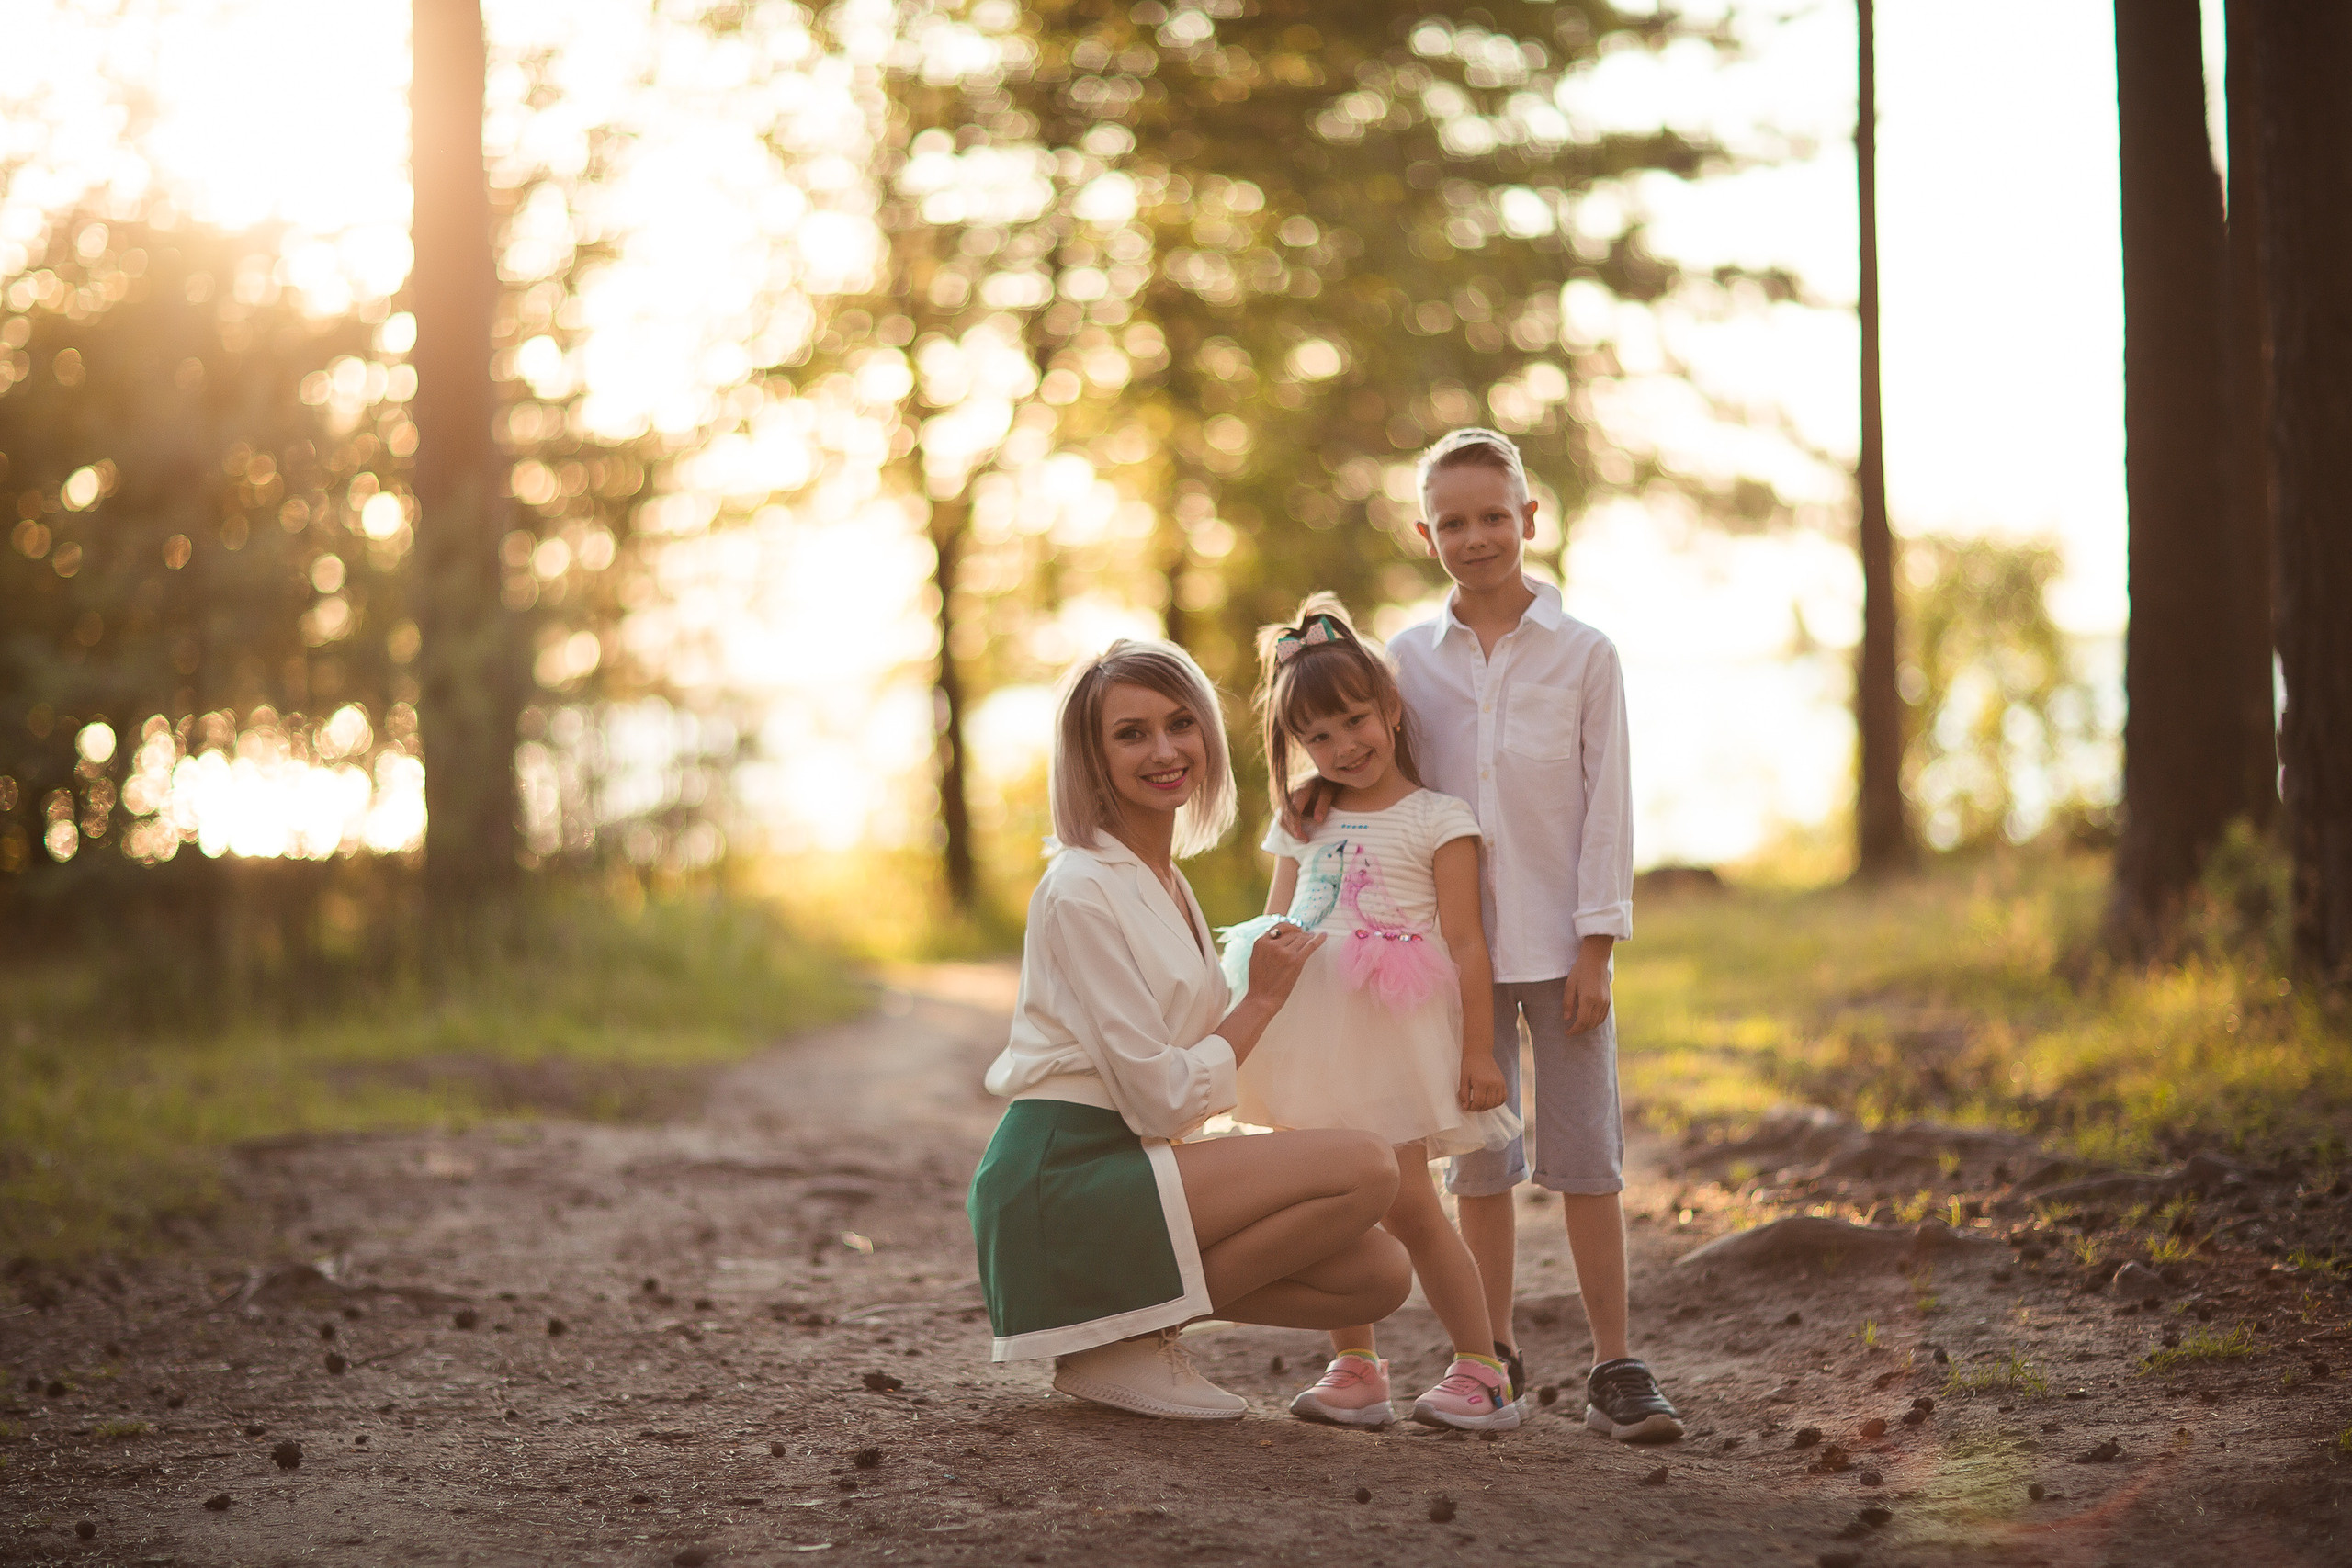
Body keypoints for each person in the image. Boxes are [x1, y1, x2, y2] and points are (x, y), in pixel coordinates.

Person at [968, 638, 1411, 1421]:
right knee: (1367, 1165)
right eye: (1131, 733)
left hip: (1130, 1160)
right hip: (1064, 1176)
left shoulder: (1165, 878)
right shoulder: (1079, 886)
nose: (1166, 750)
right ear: (1092, 756)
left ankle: (1131, 1331)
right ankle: (1130, 1338)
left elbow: (1187, 1073)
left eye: (1180, 723)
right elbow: (1162, 1098)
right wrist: (1261, 1000)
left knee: (1376, 1274)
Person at [1389, 427, 1684, 1444]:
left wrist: (1598, 943)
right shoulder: (1406, 662)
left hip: (1564, 953)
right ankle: (1490, 1359)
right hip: (1455, 961)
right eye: (1453, 523)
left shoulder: (1584, 654)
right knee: (1480, 1166)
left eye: (1492, 517)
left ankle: (1615, 1364)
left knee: (1587, 1159)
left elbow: (1609, 806)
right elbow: (1385, 786)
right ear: (1425, 533)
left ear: (1529, 518)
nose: (1475, 538)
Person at [1218, 595, 1524, 1433]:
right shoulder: (1301, 817)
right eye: (1318, 736)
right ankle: (1357, 1367)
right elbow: (1275, 923)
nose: (1343, 745)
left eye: (1355, 720)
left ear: (1390, 707)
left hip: (1387, 1039)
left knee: (1412, 1205)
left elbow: (1467, 945)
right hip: (1310, 1033)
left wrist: (1478, 1053)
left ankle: (1483, 1368)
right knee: (1331, 1204)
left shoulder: (1438, 818)